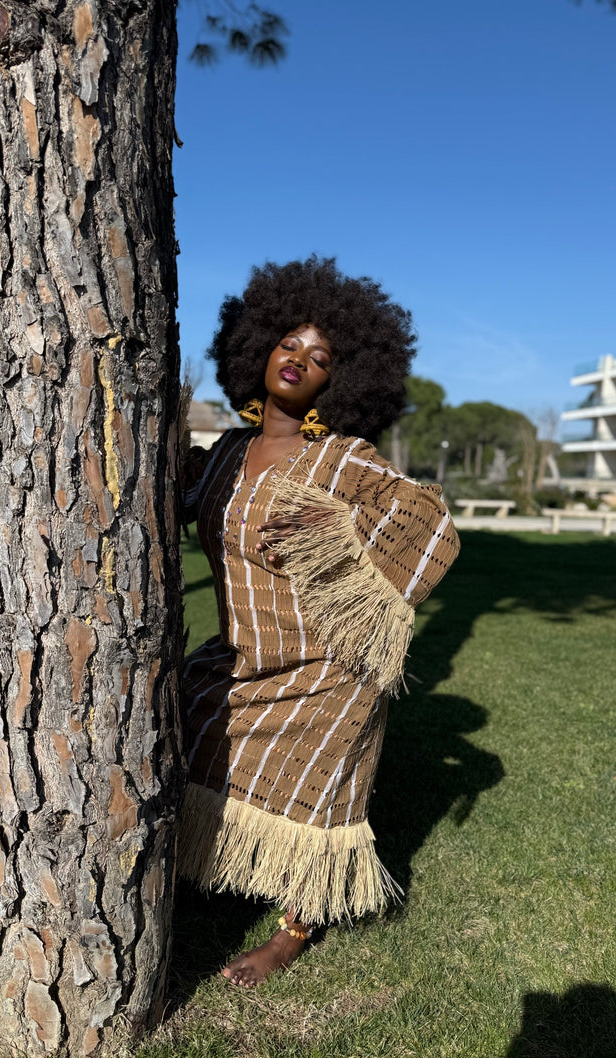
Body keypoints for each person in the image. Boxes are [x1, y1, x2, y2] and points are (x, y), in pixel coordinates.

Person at [178, 257, 459, 987]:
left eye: (321, 357)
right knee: (181, 715)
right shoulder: (227, 456)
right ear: (258, 350)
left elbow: (428, 522)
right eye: (288, 346)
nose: (299, 361)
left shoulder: (340, 459)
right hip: (243, 651)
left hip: (329, 668)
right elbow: (172, 492)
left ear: (343, 378)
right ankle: (194, 866)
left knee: (316, 782)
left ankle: (296, 927)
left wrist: (333, 527)